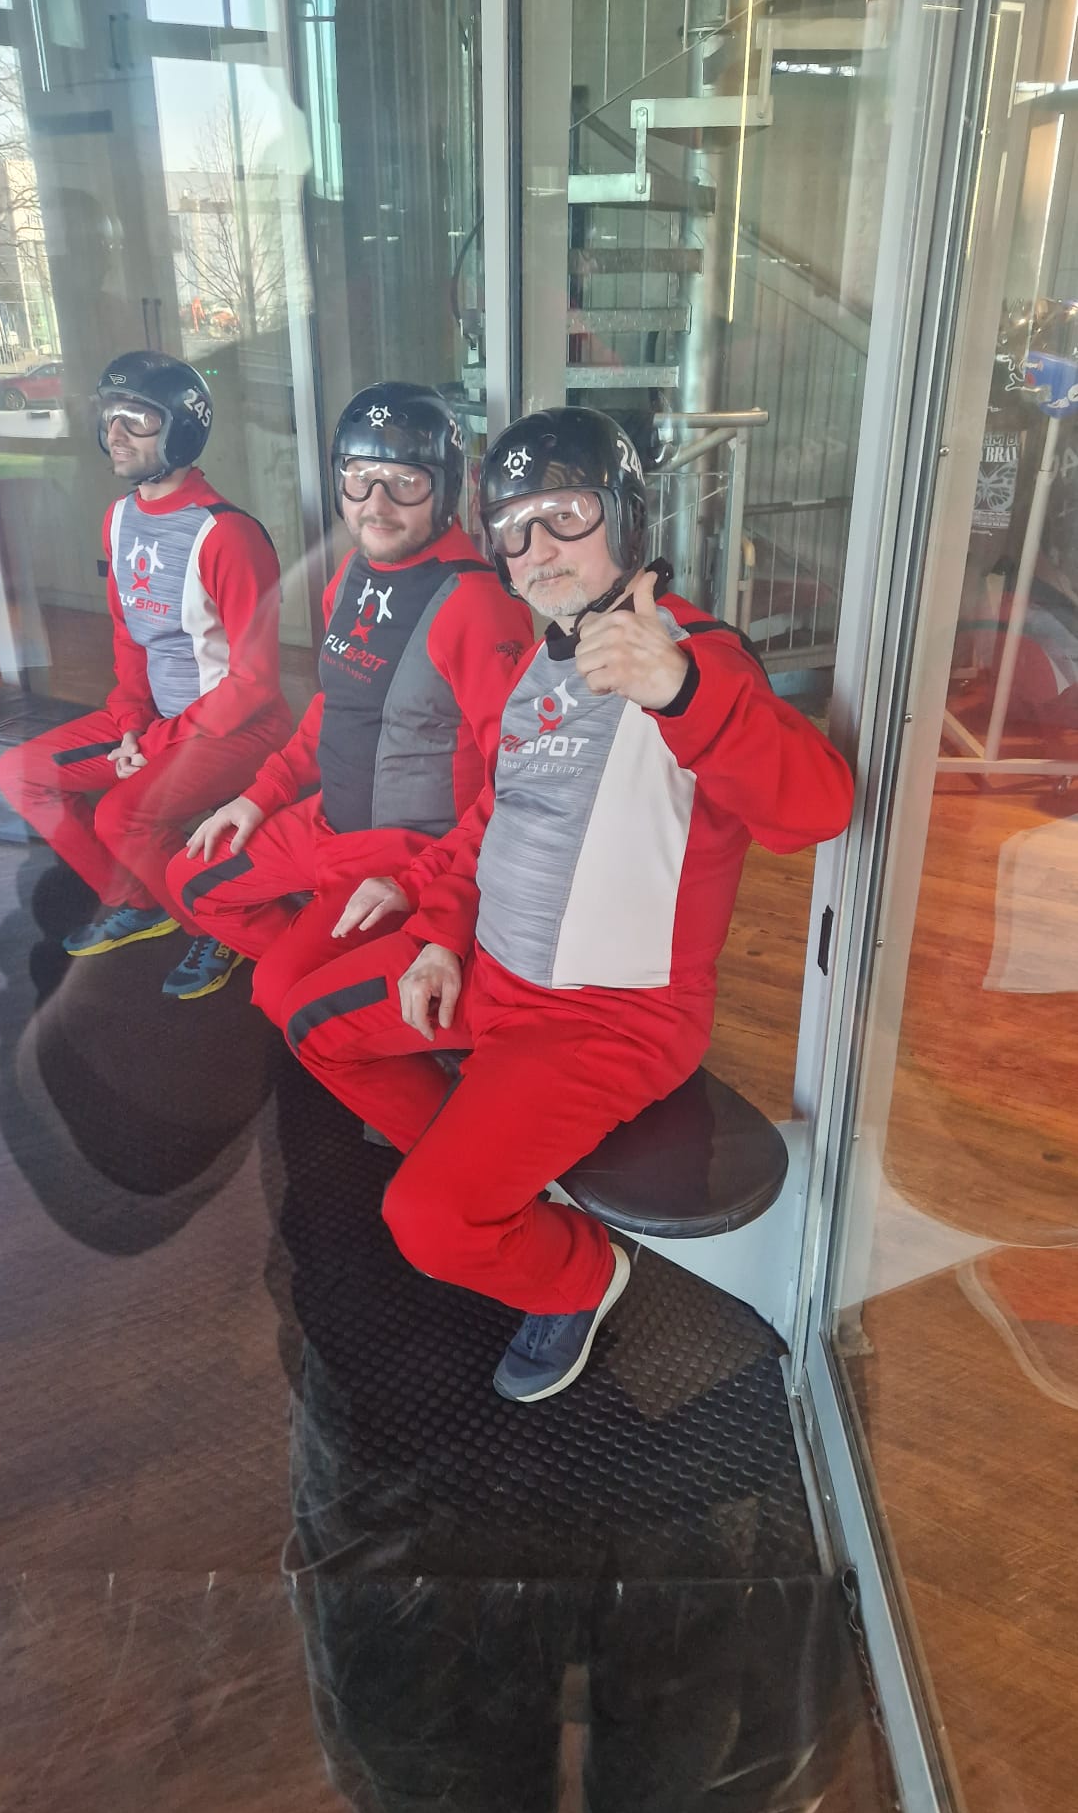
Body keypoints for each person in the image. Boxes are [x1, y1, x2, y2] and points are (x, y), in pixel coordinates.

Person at [271, 407, 855, 1405]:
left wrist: (679, 692)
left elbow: (818, 810)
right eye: (513, 525)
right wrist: (437, 935)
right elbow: (492, 821)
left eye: (565, 514)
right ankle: (500, 1174)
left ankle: (581, 1274)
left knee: (428, 1221)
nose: (536, 545)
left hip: (608, 1021)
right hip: (492, 975)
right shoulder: (540, 661)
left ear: (622, 516)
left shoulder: (695, 656)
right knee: (310, 1023)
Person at [164, 381, 532, 1016]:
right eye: (360, 478)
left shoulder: (478, 604)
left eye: (405, 481)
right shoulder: (352, 575)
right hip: (325, 825)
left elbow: (517, 778)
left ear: (446, 488)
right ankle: (338, 983)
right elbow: (332, 708)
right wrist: (261, 794)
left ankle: (346, 994)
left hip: (406, 850)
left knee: (278, 993)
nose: (376, 505)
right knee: (190, 881)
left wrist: (434, 889)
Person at [0, 349, 290, 1000]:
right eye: (110, 416)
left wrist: (152, 744)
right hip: (156, 722)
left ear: (181, 429)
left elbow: (255, 682)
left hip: (237, 728)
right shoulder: (120, 518)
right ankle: (139, 900)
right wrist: (132, 724)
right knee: (21, 774)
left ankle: (219, 926)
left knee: (122, 816)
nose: (117, 433)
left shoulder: (227, 535)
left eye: (139, 418)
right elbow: (129, 638)